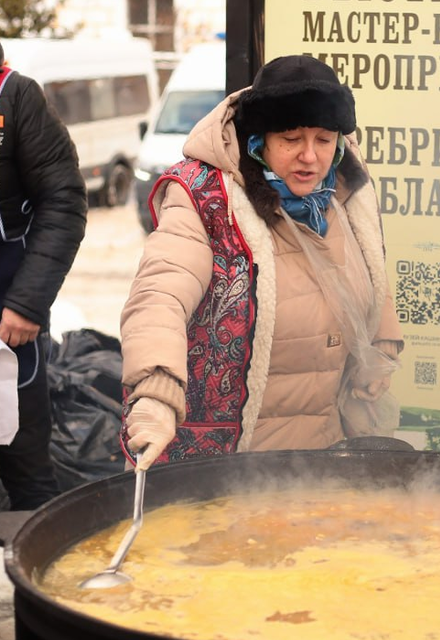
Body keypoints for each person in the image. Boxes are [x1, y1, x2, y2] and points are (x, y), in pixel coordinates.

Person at [120, 55, 403, 471]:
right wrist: (156, 386)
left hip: (320, 452)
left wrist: (381, 348)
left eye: (324, 140)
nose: (310, 156)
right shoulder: (206, 198)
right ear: (260, 141)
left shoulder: (347, 196)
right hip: (226, 466)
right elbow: (160, 292)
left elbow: (371, 278)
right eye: (292, 139)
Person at [0, 41, 87, 510]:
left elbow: (64, 202)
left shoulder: (16, 97)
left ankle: (28, 579)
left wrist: (27, 303)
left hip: (9, 329)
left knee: (27, 475)